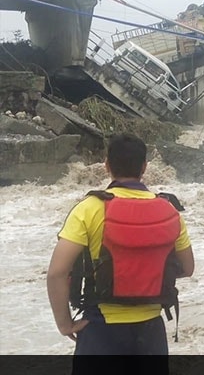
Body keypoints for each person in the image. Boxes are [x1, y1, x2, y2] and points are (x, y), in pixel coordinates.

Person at [47, 134, 194, 362]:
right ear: (144, 167)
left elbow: (57, 272)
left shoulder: (89, 208)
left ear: (106, 165)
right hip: (151, 330)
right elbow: (187, 268)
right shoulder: (169, 210)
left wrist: (65, 324)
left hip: (100, 328)